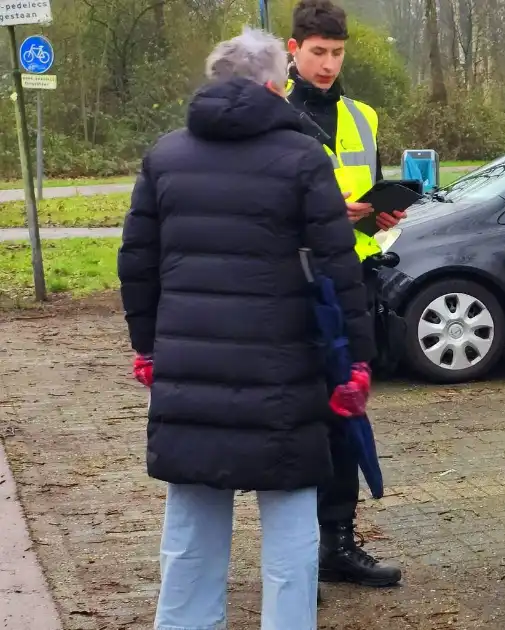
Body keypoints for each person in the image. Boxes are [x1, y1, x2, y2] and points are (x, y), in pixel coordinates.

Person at [117, 27, 375, 629]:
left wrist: (146, 346)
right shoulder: (302, 158)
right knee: (289, 531)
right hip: (282, 375)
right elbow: (339, 268)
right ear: (274, 83)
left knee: (190, 527)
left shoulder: (166, 155)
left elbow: (137, 263)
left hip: (190, 373)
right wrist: (357, 361)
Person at [285, 0, 403, 588]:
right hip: (294, 286)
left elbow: (357, 199)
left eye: (336, 53)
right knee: (298, 420)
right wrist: (337, 213)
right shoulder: (273, 115)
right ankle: (298, 555)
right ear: (293, 51)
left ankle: (338, 542)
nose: (328, 64)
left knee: (346, 415)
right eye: (317, 53)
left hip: (351, 280)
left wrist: (375, 218)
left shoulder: (364, 117)